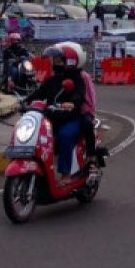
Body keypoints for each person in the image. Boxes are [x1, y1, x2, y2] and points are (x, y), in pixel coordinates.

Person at [24, 46, 86, 176]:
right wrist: (23, 102)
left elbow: (79, 96)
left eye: (58, 60)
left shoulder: (77, 79)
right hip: (52, 117)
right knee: (35, 136)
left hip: (70, 118)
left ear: (68, 61)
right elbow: (39, 93)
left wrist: (71, 103)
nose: (54, 63)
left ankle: (65, 174)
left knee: (65, 136)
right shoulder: (51, 80)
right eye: (54, 59)